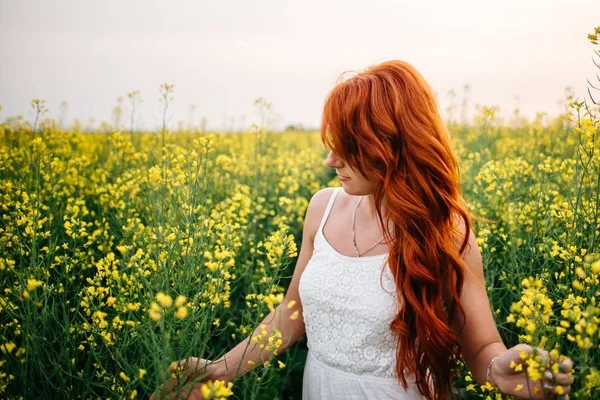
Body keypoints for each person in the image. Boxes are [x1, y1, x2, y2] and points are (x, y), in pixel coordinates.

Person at [150, 60, 575, 400]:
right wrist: (220, 369)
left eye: (349, 147)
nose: (331, 160)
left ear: (392, 143)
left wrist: (499, 370)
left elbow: (481, 349)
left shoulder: (445, 232)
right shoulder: (323, 206)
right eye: (332, 143)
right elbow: (292, 314)